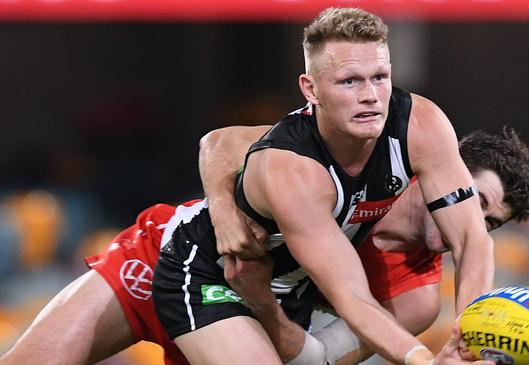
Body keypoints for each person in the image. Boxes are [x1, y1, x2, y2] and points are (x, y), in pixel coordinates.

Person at [0, 127, 529, 365]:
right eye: (477, 202)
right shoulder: (357, 155)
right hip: (162, 259)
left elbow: (318, 360)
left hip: (243, 321)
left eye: (491, 222)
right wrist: (227, 212)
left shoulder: (416, 299)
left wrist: (261, 301)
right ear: (445, 176)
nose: (473, 224)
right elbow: (222, 143)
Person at [153, 7, 496, 365]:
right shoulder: (293, 167)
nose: (371, 96)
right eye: (350, 81)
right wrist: (426, 362)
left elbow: (472, 238)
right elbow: (352, 296)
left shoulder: (420, 124)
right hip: (211, 272)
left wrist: (470, 339)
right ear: (310, 89)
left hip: (287, 290)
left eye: (380, 77)